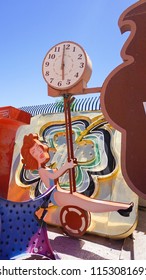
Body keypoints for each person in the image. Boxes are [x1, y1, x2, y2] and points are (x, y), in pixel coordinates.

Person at [21, 133, 134, 219]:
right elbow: (55, 175)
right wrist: (66, 166)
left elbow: (55, 176)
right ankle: (122, 208)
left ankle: (121, 208)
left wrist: (68, 167)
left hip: (58, 193)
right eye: (34, 152)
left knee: (86, 202)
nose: (39, 152)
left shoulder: (45, 168)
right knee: (87, 204)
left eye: (38, 148)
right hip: (55, 195)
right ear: (31, 157)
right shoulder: (41, 170)